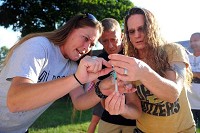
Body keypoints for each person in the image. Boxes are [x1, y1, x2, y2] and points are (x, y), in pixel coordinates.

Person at [0, 13, 135, 133]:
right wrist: (77, 78)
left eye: (92, 44)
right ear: (70, 30)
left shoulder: (71, 66)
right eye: (85, 38)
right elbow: (15, 101)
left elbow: (79, 102)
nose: (86, 48)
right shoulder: (39, 46)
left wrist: (104, 87)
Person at [105, 7, 196, 132]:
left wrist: (143, 72)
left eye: (142, 28)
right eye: (131, 31)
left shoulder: (172, 51)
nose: (137, 35)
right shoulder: (130, 62)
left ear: (152, 28)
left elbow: (172, 94)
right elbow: (135, 109)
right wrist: (122, 109)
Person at [87, 18, 138, 133]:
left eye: (114, 39)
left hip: (133, 121)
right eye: (105, 41)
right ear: (99, 40)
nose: (110, 45)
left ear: (122, 36)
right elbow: (101, 96)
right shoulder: (99, 62)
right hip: (108, 119)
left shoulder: (133, 56)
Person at [187, 32, 200, 128]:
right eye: (191, 41)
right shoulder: (187, 58)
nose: (193, 43)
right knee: (192, 128)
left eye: (196, 40)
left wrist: (190, 73)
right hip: (189, 102)